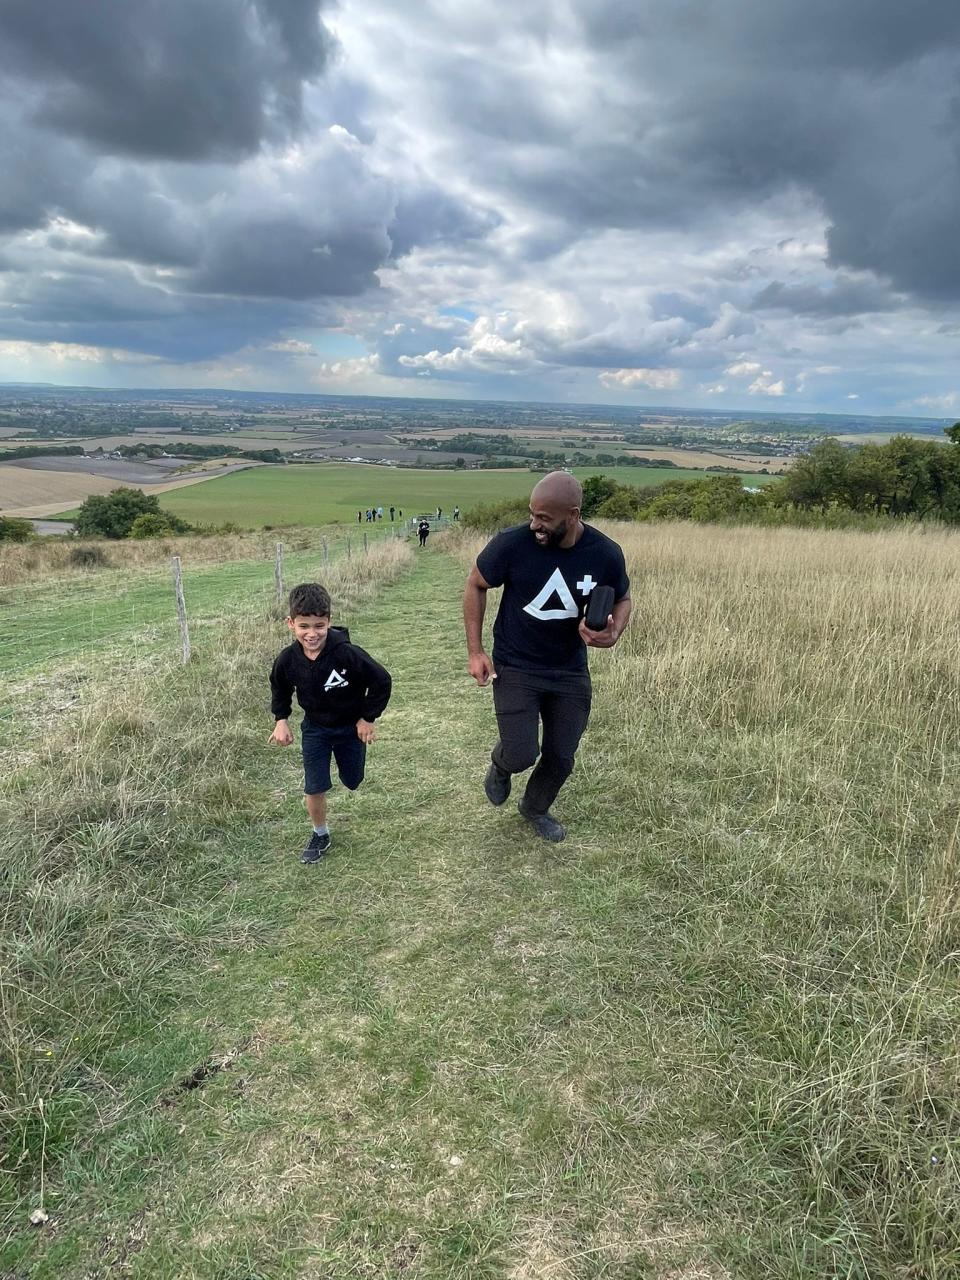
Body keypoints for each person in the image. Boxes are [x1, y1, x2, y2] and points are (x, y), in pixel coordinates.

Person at [463, 471, 631, 843]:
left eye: (544, 519)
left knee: (561, 754)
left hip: (569, 670)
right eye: (531, 514)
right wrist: (475, 652)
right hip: (516, 664)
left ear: (572, 515)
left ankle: (535, 808)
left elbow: (622, 597)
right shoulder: (512, 543)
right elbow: (475, 583)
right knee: (522, 752)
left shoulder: (605, 554)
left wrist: (615, 629)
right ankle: (502, 763)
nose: (534, 525)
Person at [269, 582, 392, 864]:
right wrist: (281, 720)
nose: (312, 634)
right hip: (315, 730)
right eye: (304, 626)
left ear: (329, 622)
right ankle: (320, 834)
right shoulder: (288, 660)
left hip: (350, 728)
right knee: (314, 786)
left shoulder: (348, 654)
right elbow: (280, 687)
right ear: (291, 624)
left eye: (319, 626)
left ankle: (351, 768)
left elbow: (382, 681)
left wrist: (367, 718)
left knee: (352, 780)